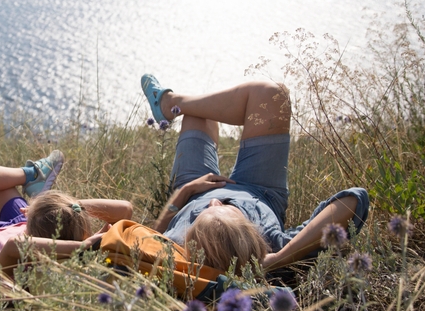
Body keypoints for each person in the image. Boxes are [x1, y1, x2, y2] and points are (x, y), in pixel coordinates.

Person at [140, 74, 369, 273]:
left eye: (203, 215)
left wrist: (186, 191)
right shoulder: (272, 243)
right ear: (251, 231)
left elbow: (150, 237)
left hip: (194, 189)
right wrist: (281, 257)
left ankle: (170, 105)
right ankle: (168, 103)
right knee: (272, 94)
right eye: (225, 209)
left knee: (197, 115)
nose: (214, 202)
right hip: (261, 189)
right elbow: (354, 199)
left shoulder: (178, 246)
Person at [0, 150, 133, 288]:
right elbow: (125, 209)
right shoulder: (79, 249)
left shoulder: (16, 274)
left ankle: (31, 174)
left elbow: (13, 244)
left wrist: (81, 248)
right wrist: (62, 208)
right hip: (25, 222)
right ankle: (34, 182)